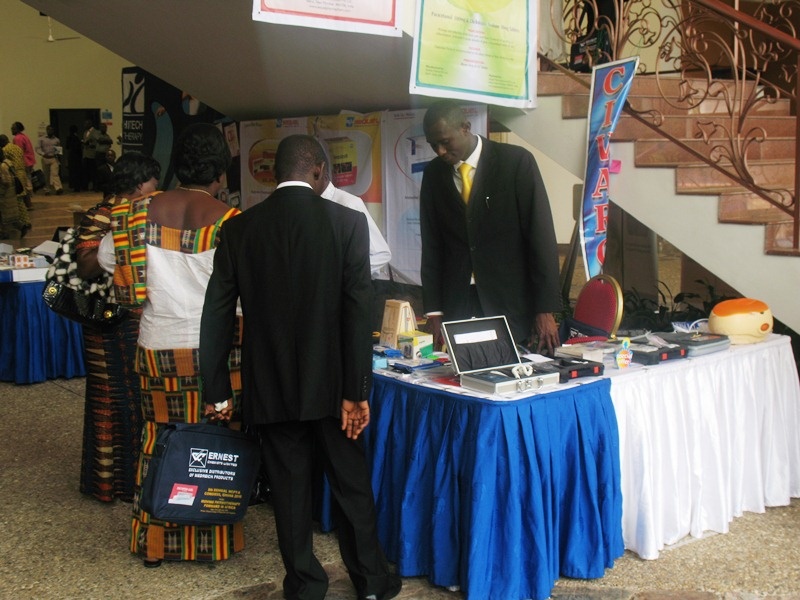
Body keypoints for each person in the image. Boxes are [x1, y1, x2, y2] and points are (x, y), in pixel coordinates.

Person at [200, 134, 402, 600]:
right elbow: (358, 312)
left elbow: (216, 314)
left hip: (270, 384)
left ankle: (306, 586)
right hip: (334, 389)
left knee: (289, 492)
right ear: (319, 171)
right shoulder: (347, 223)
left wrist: (217, 389)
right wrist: (357, 390)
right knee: (351, 485)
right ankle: (371, 582)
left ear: (274, 175)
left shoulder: (239, 229)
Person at [96, 123, 242, 567]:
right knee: (214, 443)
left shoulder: (134, 214)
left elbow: (106, 257)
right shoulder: (230, 221)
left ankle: (155, 544)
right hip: (217, 351)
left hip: (157, 346)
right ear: (220, 172)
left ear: (177, 166)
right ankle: (210, 543)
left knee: (158, 438)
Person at [419, 100, 562, 354]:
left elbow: (540, 237)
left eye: (445, 142)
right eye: (433, 145)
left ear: (465, 128)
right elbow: (432, 245)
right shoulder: (433, 174)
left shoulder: (515, 163)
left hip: (510, 304)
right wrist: (434, 311)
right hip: (458, 304)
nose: (440, 151)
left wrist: (545, 309)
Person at [74, 151, 161, 503]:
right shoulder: (104, 214)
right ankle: (109, 483)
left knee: (136, 400)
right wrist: (121, 242)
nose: (157, 187)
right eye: (154, 181)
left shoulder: (144, 213)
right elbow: (85, 266)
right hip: (105, 321)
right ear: (140, 183)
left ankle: (131, 480)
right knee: (109, 399)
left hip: (134, 318)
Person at [320, 159, 391, 278]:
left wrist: (342, 275)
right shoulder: (310, 206)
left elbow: (381, 254)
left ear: (318, 172)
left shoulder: (348, 203)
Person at [0, 135, 32, 236]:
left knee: (13, 207)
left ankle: (23, 224)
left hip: (8, 189)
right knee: (20, 200)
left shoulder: (5, 151)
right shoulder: (16, 148)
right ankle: (24, 222)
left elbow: (5, 180)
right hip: (19, 175)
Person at [0, 148, 24, 241]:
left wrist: (1, 191)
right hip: (11, 193)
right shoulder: (8, 162)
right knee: (9, 215)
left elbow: (6, 181)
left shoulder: (2, 166)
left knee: (5, 215)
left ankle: (6, 232)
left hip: (6, 194)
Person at [10, 121, 34, 205]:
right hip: (29, 161)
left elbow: (18, 152)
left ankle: (27, 203)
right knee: (27, 181)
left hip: (24, 162)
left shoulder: (18, 138)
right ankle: (28, 202)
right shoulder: (24, 136)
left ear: (17, 129)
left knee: (24, 183)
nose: (11, 130)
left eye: (13, 128)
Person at [37, 125, 64, 195]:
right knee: (46, 175)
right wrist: (43, 154)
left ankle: (58, 188)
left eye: (52, 130)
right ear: (46, 130)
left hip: (53, 158)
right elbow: (38, 148)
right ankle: (47, 190)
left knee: (55, 174)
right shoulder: (41, 139)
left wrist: (58, 158)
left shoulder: (56, 140)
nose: (50, 131)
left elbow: (58, 150)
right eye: (49, 130)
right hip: (45, 158)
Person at [81, 120, 100, 191]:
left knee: (93, 171)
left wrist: (91, 144)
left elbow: (98, 141)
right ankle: (86, 186)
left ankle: (95, 186)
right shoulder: (85, 132)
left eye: (86, 124)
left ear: (90, 124)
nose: (84, 125)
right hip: (85, 154)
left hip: (92, 154)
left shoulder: (96, 132)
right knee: (86, 171)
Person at [65, 125, 83, 191]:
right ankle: (77, 186)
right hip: (76, 157)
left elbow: (67, 147)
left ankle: (74, 185)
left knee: (72, 172)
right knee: (77, 172)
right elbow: (78, 148)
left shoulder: (69, 138)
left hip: (71, 156)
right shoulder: (76, 138)